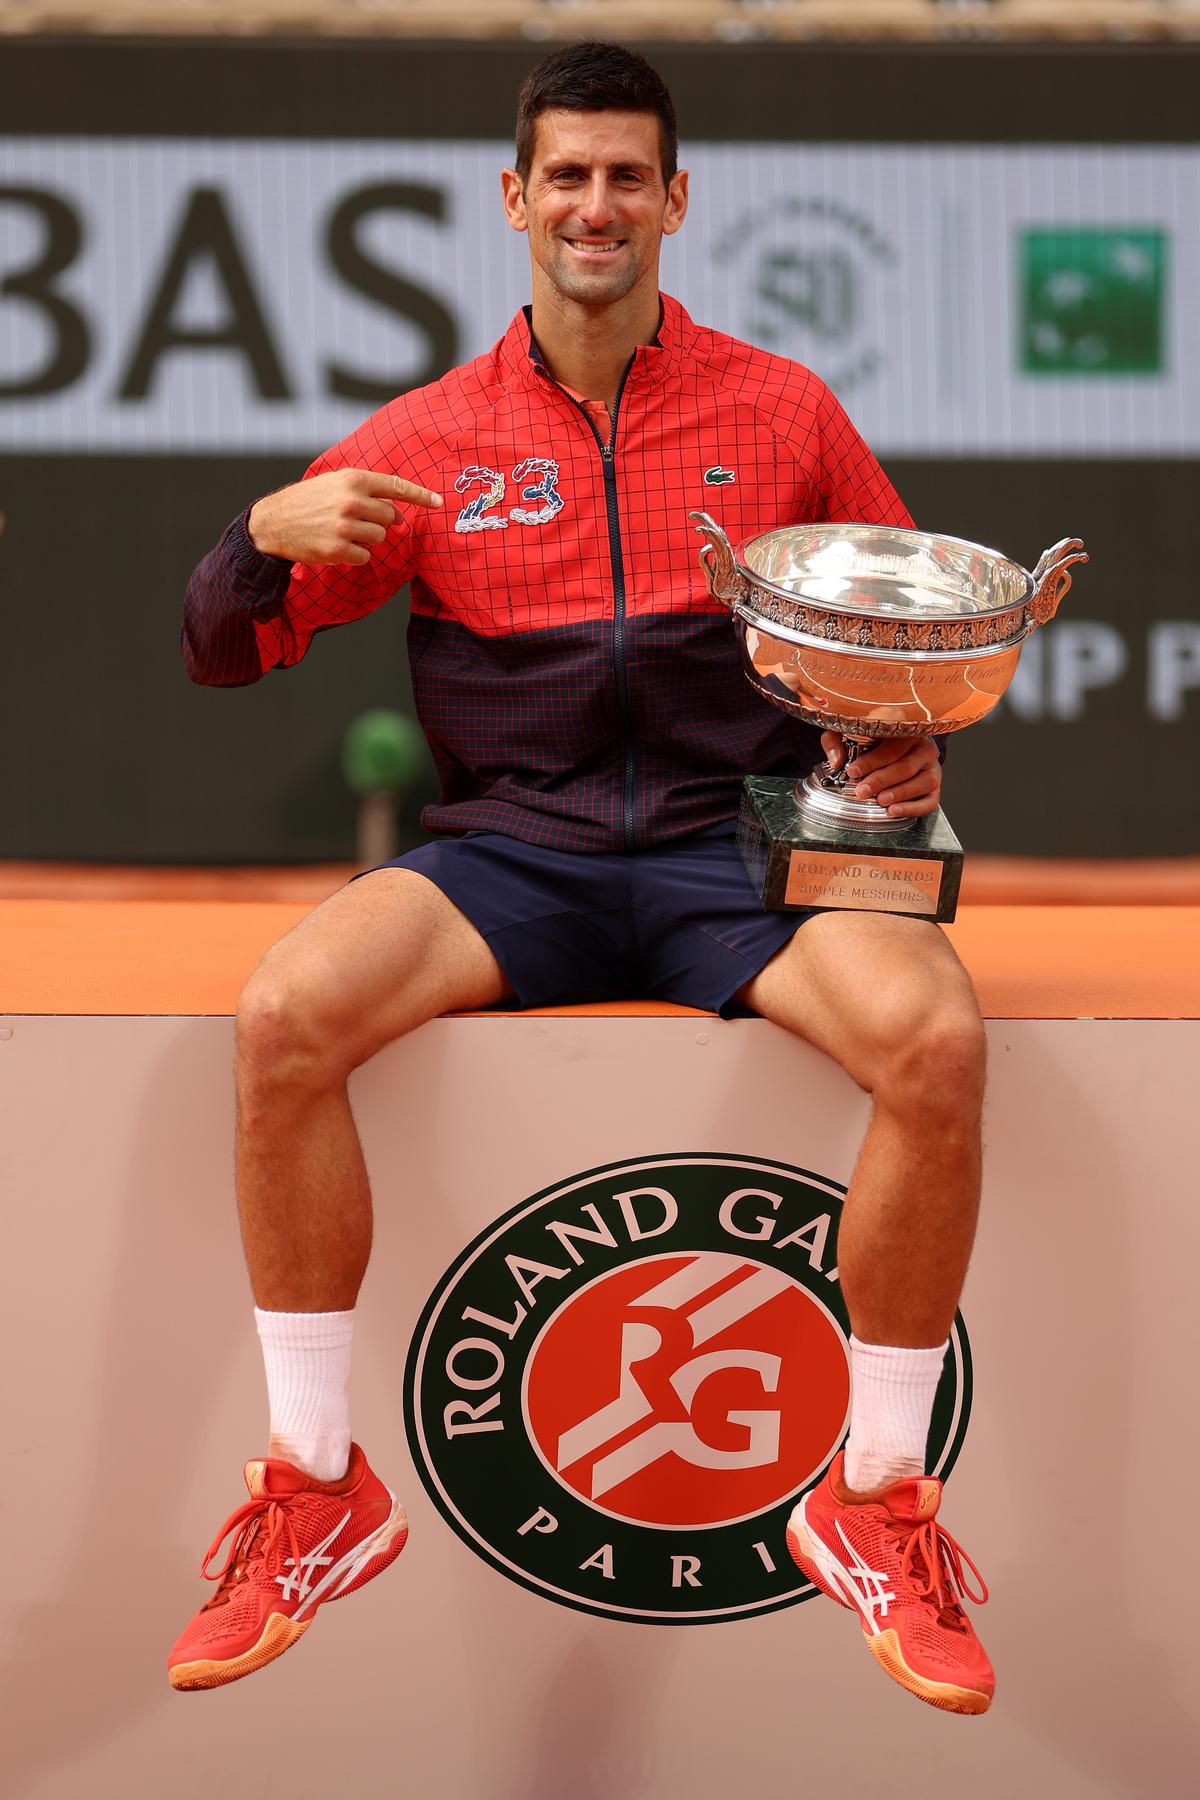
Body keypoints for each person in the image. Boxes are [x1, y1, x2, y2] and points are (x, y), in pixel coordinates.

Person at [169, 41, 992, 1714]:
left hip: (731, 850)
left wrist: (908, 749)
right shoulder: (431, 434)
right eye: (567, 176)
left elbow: (905, 645)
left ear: (676, 202)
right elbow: (226, 652)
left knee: (940, 1049)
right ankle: (314, 1489)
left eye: (628, 176)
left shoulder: (782, 410)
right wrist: (255, 540)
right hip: (508, 855)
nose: (596, 204)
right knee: (280, 1022)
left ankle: (879, 1500)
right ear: (514, 201)